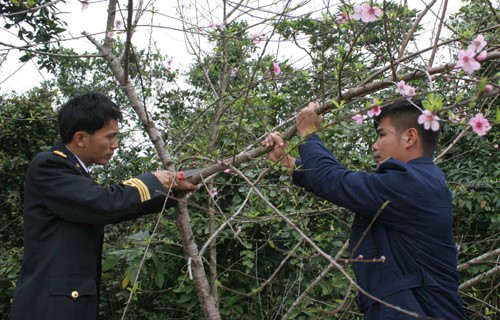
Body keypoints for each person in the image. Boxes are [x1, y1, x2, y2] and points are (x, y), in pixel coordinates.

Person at [263, 100, 465, 319]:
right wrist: (287, 162)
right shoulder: (420, 184)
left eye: (381, 134)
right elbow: (339, 183)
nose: (375, 145)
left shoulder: (412, 185)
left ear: (409, 137)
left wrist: (310, 133)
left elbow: (333, 180)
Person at [9, 92, 197, 320]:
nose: (115, 145)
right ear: (80, 138)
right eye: (110, 137)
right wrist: (152, 180)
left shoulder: (74, 172)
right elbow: (103, 204)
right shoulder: (50, 166)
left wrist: (175, 189)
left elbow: (114, 208)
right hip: (49, 308)